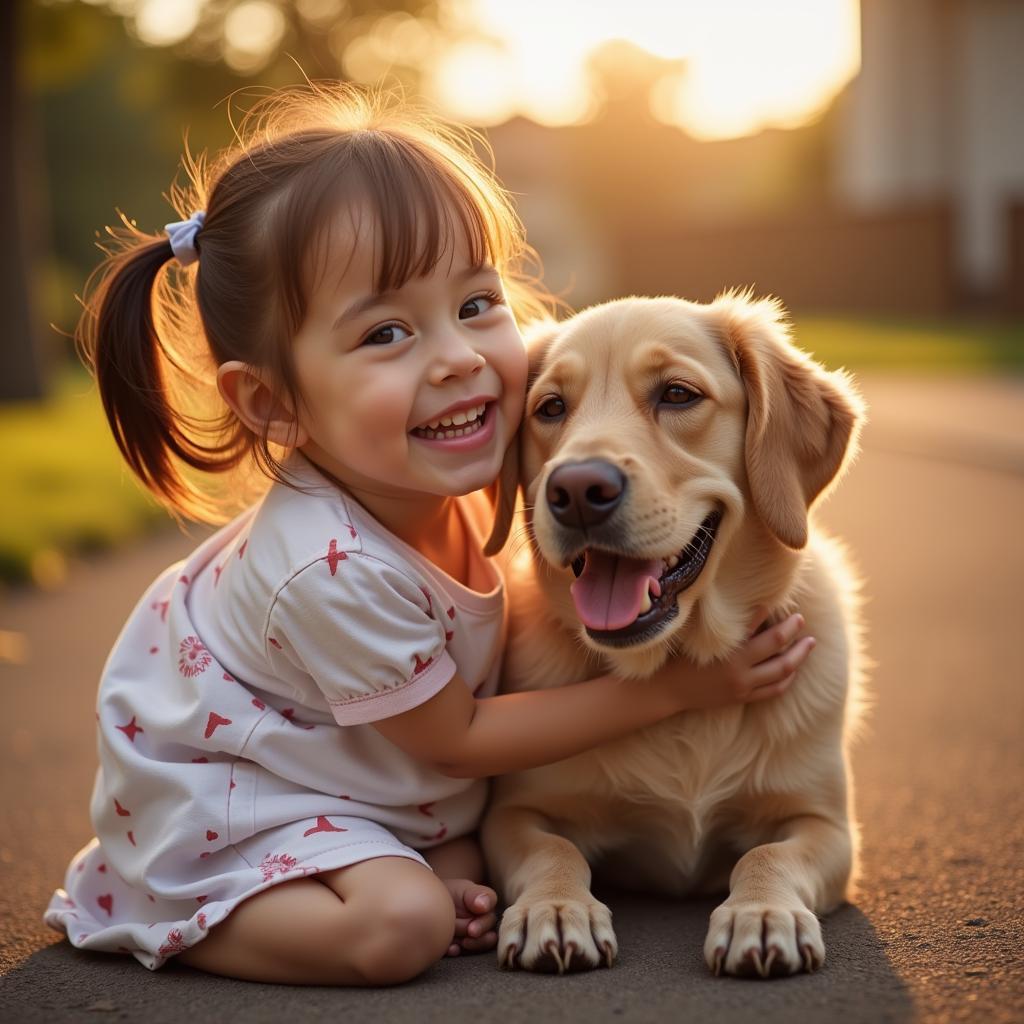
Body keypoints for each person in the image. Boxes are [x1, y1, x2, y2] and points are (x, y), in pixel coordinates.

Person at [44, 83, 815, 986]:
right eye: (387, 332)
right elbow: (458, 740)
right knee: (404, 924)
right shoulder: (325, 568)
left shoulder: (453, 474)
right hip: (238, 797)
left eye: (478, 304)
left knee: (468, 869)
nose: (455, 356)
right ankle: (171, 914)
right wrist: (683, 690)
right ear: (273, 403)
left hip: (369, 781)